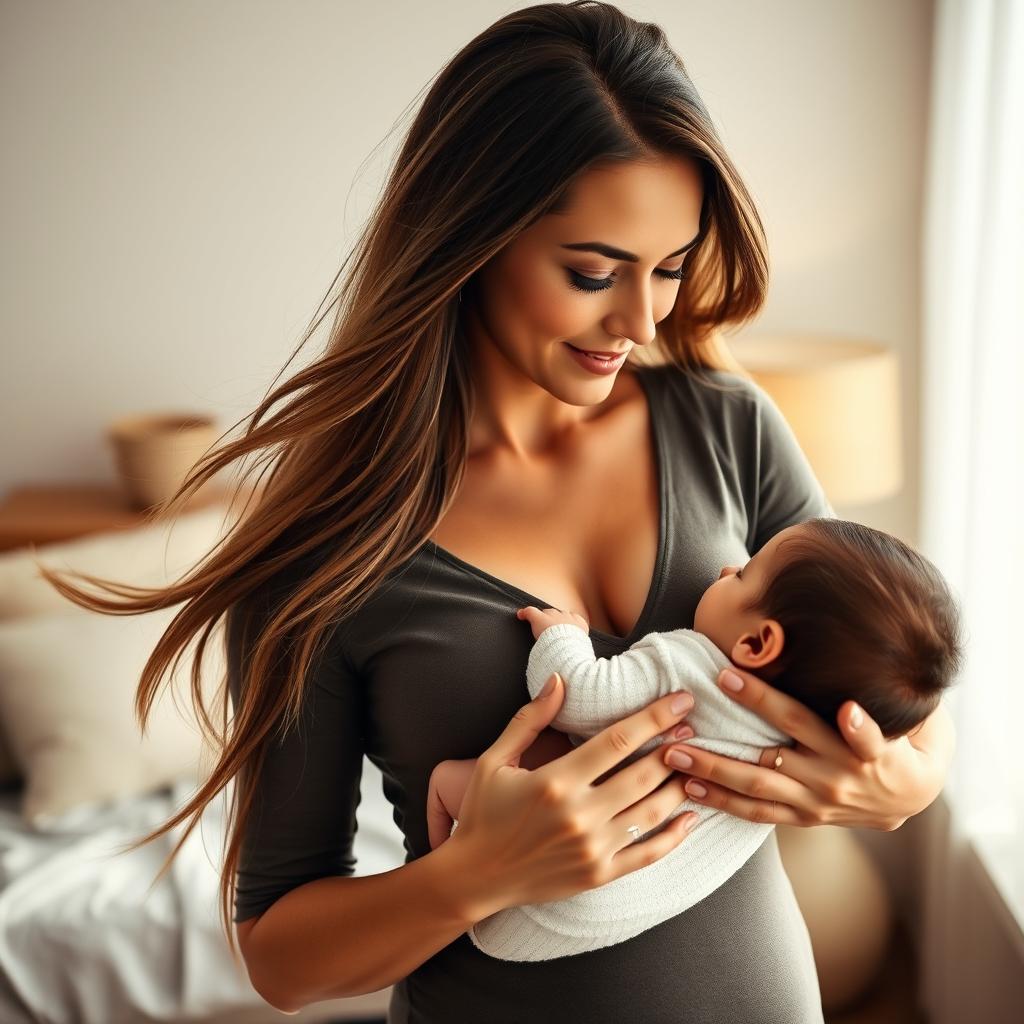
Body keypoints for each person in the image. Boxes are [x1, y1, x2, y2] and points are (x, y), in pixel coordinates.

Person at [43, 4, 956, 1023]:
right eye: (593, 272)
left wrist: (904, 788)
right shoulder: (337, 538)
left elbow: (898, 702)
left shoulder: (728, 427)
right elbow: (281, 958)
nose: (641, 319)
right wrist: (475, 875)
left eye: (668, 267)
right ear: (469, 236)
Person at [426, 517, 963, 961]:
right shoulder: (817, 736)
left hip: (544, 902)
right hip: (594, 913)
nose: (728, 566)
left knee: (481, 773)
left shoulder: (690, 667)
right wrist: (927, 760)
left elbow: (577, 699)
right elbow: (900, 669)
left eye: (745, 574)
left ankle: (447, 804)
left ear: (756, 643)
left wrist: (562, 635)